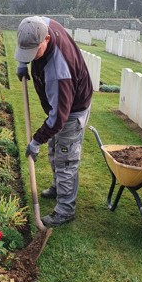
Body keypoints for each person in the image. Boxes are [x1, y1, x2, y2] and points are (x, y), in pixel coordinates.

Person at [15, 16, 93, 227]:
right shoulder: (39, 24)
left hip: (73, 111)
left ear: (47, 39)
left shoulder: (59, 71)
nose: (30, 57)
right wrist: (23, 62)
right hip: (60, 107)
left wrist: (35, 141)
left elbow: (59, 118)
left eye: (33, 53)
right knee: (54, 149)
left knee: (65, 160)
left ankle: (65, 210)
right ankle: (59, 187)